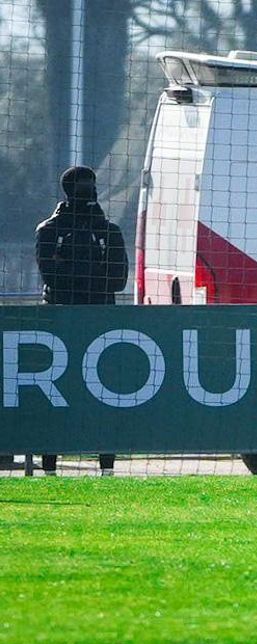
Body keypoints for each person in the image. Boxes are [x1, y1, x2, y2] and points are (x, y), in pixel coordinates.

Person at [35, 166, 127, 476]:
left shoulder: (109, 231)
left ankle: (107, 467)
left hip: (101, 324)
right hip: (59, 325)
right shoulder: (49, 230)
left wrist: (75, 278)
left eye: (92, 186)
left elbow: (117, 279)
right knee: (55, 396)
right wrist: (90, 279)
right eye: (84, 187)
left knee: (105, 396)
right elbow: (52, 278)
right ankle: (49, 466)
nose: (90, 193)